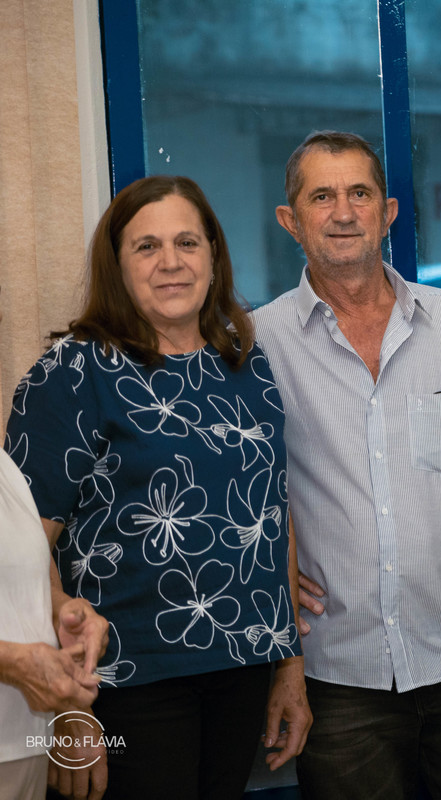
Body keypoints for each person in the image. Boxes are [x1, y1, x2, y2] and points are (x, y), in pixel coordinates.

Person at [255, 130, 441, 800]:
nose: (343, 212)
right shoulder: (258, 343)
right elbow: (240, 486)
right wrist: (264, 574)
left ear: (387, 213)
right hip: (335, 670)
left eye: (359, 193)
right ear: (290, 220)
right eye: (321, 197)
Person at [4, 175, 309, 800]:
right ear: (117, 265)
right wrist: (67, 705)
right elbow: (21, 551)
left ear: (213, 256)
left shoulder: (245, 363)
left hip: (243, 663)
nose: (171, 262)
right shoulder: (73, 372)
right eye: (146, 247)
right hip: (122, 678)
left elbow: (271, 515)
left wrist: (289, 663)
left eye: (187, 243)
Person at [1, 294, 108, 800]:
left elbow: (22, 587)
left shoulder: (5, 470)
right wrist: (13, 663)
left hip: (20, 745)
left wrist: (65, 614)